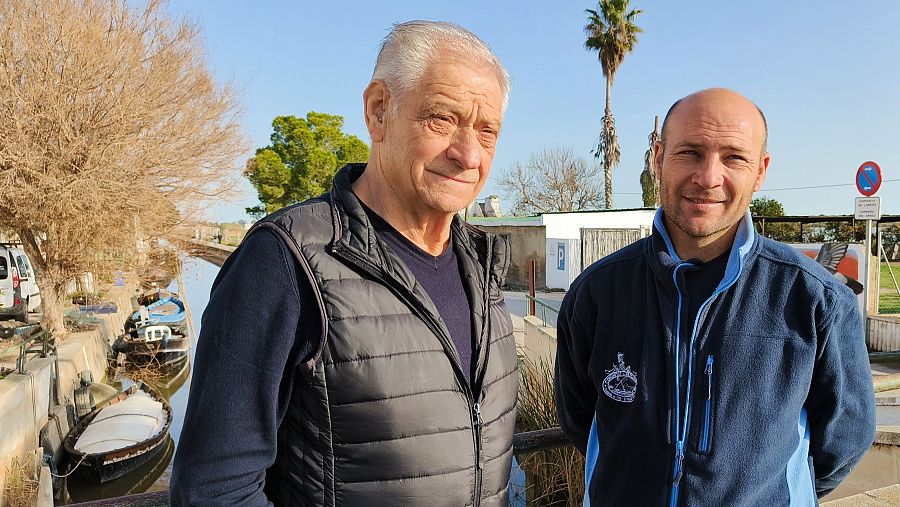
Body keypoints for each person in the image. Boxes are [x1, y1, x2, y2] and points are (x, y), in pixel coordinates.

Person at [171, 21, 518, 506]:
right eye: (442, 119)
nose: (468, 155)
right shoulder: (285, 261)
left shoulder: (482, 267)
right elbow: (215, 489)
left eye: (487, 132)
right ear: (379, 112)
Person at [554, 88, 875, 506]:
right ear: (657, 158)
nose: (708, 178)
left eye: (734, 158)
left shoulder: (817, 300)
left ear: (760, 171)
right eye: (690, 152)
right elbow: (580, 419)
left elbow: (844, 440)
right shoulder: (596, 292)